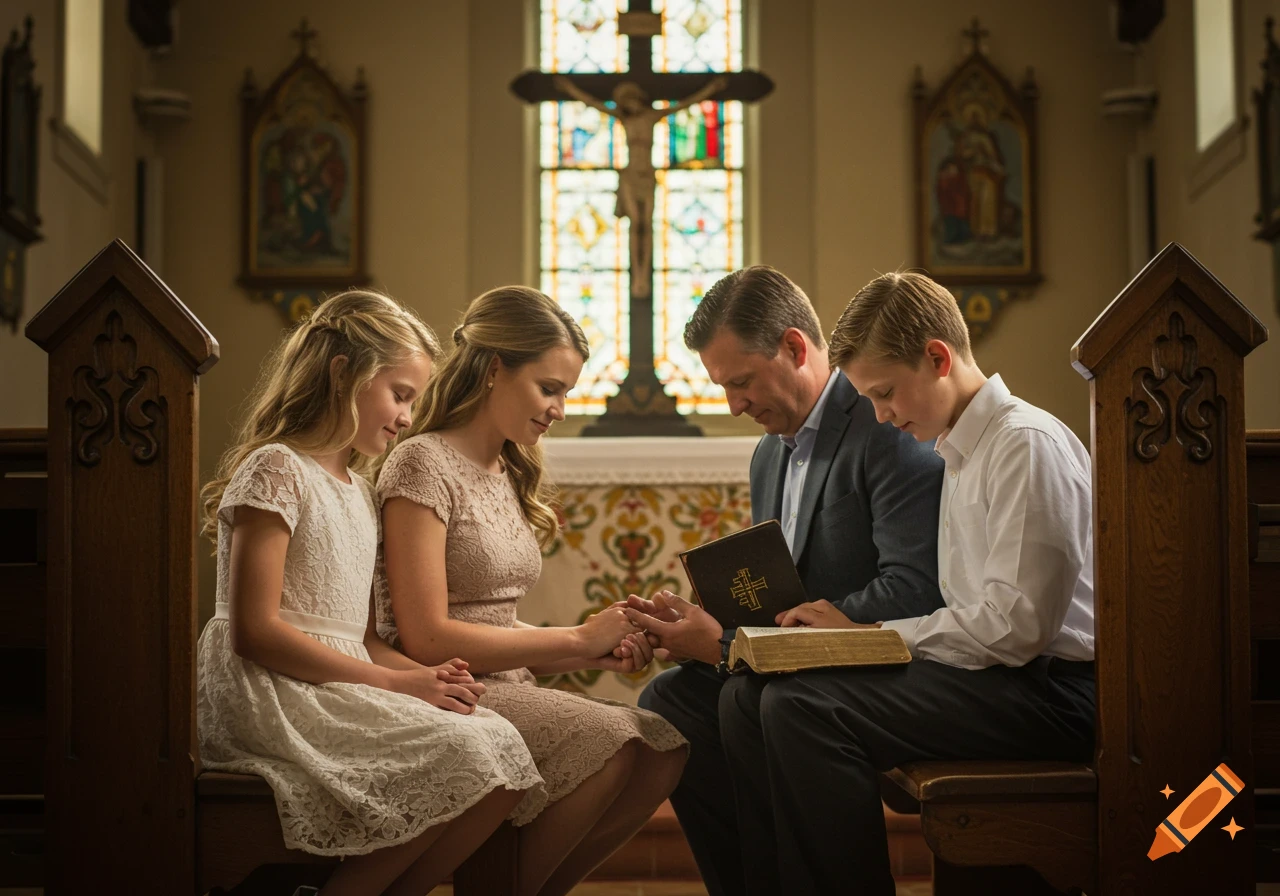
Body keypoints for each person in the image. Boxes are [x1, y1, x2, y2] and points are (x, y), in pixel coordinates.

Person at [706, 270, 1097, 895]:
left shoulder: (1023, 443)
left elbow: (1018, 627)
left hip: (1054, 691)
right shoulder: (959, 448)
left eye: (885, 393)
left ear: (938, 358)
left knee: (805, 706)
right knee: (760, 696)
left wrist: (873, 634)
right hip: (999, 678)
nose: (881, 416)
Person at [196, 290, 545, 896]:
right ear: (343, 375)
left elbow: (357, 637)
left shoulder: (360, 491)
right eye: (400, 394)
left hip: (337, 680)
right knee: (470, 755)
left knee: (502, 756)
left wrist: (425, 676)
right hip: (273, 692)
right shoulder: (276, 469)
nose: (409, 417)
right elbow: (255, 633)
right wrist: (398, 683)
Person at [629, 265, 946, 896]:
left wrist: (730, 642)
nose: (734, 404)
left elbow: (914, 587)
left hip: (885, 657)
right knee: (669, 702)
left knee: (755, 700)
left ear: (795, 348)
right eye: (724, 387)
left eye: (741, 381)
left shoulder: (885, 422)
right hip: (800, 655)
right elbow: (779, 587)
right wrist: (709, 623)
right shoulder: (768, 452)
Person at [376, 285, 688, 896]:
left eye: (566, 392)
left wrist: (586, 651)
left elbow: (495, 618)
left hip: (506, 680)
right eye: (550, 389)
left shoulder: (505, 468)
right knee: (614, 739)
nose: (559, 409)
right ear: (495, 369)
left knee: (664, 750)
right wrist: (573, 635)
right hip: (444, 685)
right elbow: (424, 634)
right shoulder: (420, 464)